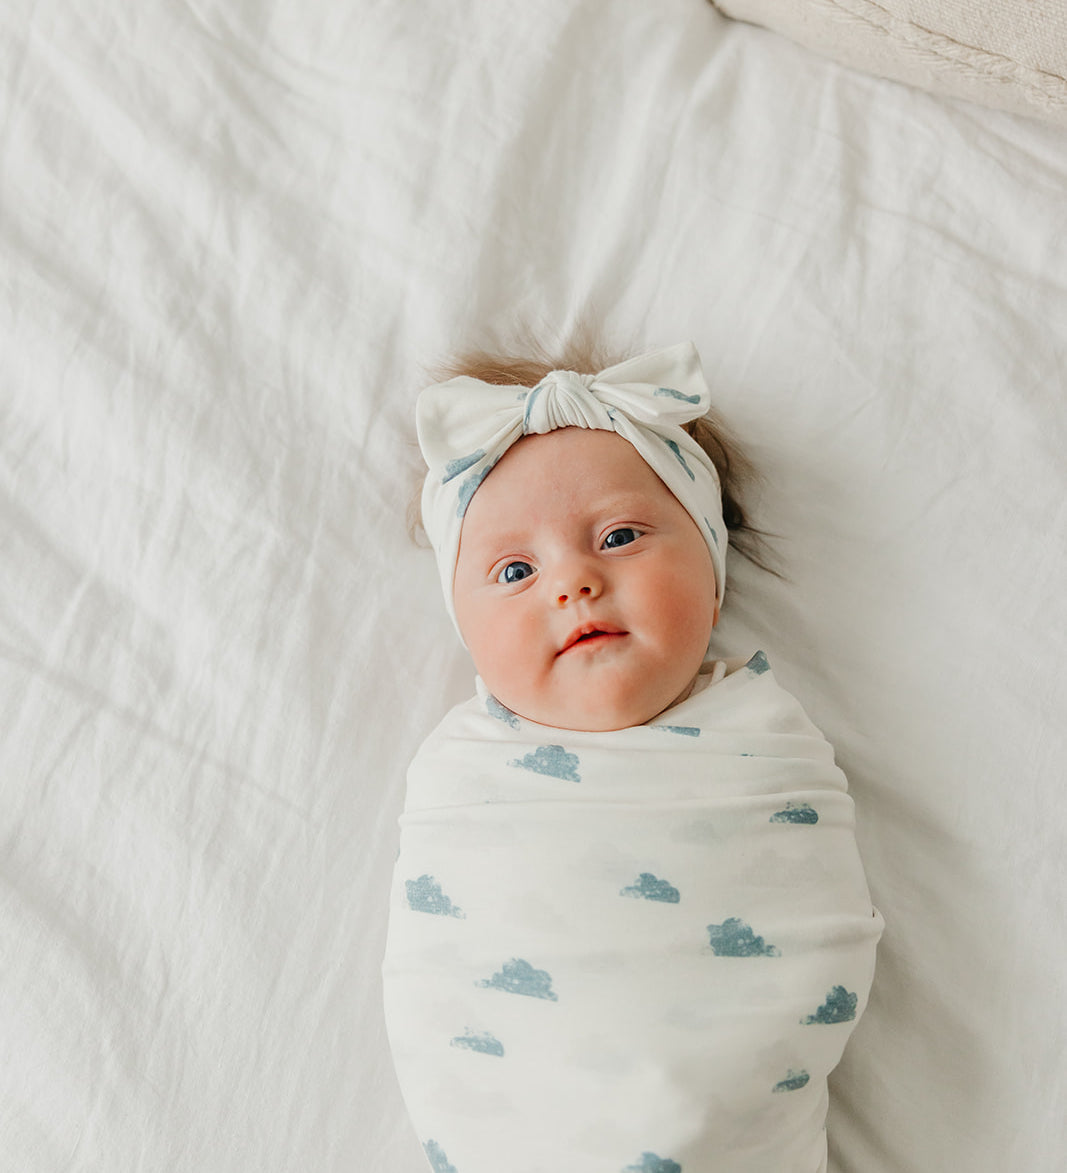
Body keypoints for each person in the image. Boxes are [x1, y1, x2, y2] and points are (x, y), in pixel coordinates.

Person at [382, 341, 883, 1173]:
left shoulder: (765, 743)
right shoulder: (460, 775)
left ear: (713, 579)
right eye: (514, 569)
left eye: (618, 536)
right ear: (464, 628)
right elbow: (440, 990)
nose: (572, 582)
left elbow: (813, 944)